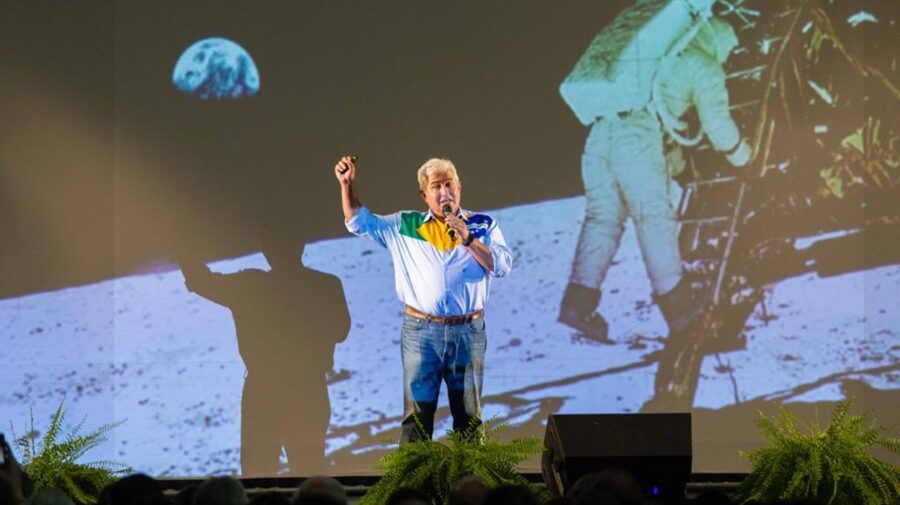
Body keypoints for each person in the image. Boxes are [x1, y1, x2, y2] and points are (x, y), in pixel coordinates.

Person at [559, 16, 750, 343]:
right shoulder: (702, 63)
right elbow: (718, 125)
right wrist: (745, 157)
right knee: (653, 216)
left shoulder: (659, 56)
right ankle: (677, 304)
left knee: (602, 219)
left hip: (599, 134)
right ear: (720, 42)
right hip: (636, 134)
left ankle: (578, 303)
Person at [335, 156, 512, 442]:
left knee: (469, 416)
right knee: (417, 417)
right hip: (421, 332)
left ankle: (472, 484)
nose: (445, 192)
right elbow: (358, 221)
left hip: (467, 331)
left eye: (449, 184)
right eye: (436, 186)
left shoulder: (483, 224)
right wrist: (347, 185)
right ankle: (415, 483)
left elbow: (502, 266)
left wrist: (468, 238)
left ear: (459, 186)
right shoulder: (405, 224)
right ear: (424, 194)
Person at [180, 244, 350, 476]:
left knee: (257, 474)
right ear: (300, 247)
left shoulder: (249, 285)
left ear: (266, 252)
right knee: (308, 471)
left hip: (263, 392)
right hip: (308, 390)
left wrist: (181, 248)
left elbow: (201, 281)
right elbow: (340, 331)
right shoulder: (326, 284)